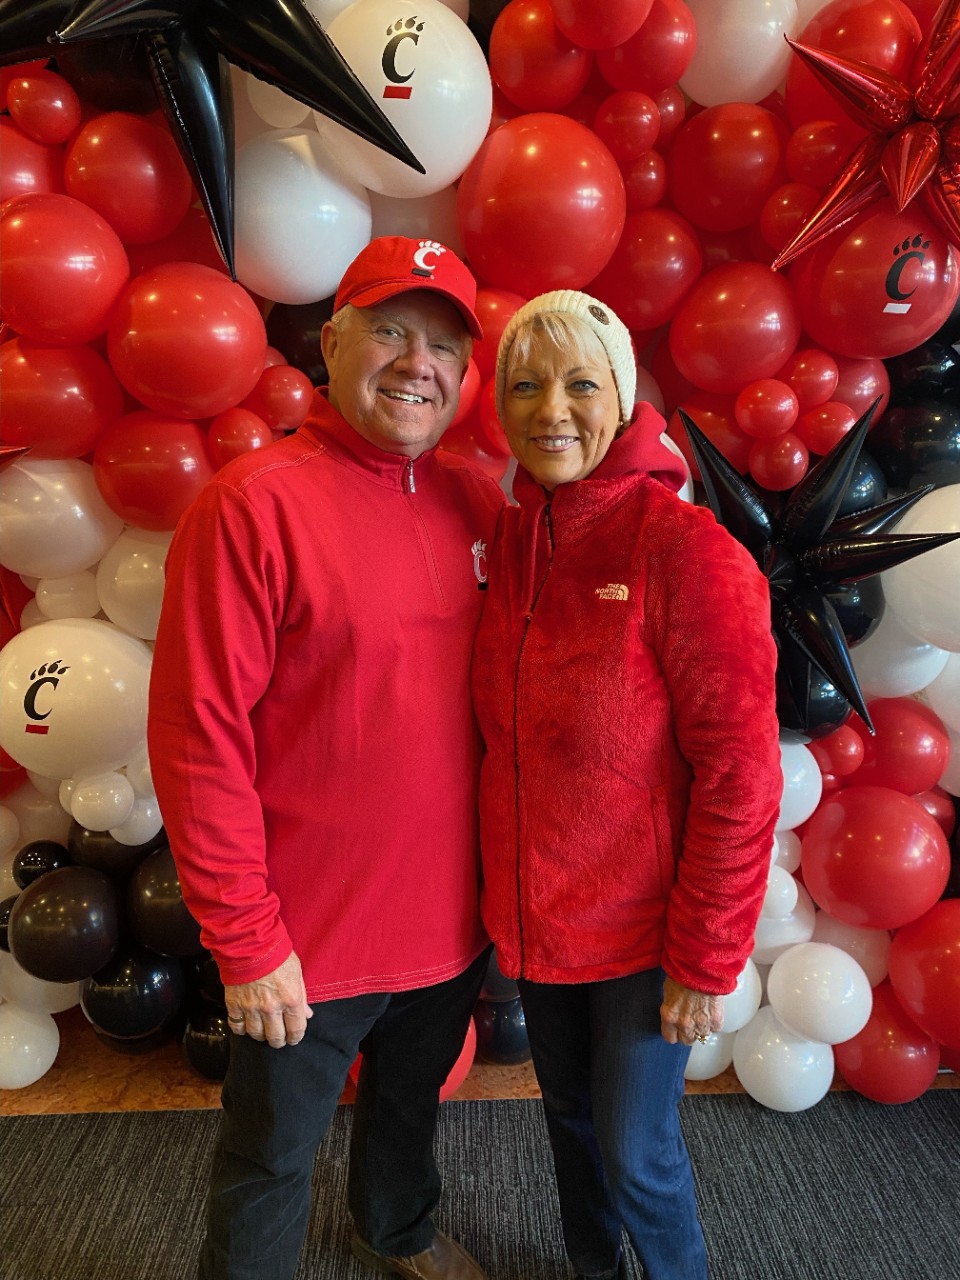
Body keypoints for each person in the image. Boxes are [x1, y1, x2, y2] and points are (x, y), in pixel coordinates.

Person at [148, 236, 506, 1280]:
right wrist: (245, 935)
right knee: (267, 1157)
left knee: (411, 1108)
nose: (417, 362)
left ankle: (395, 1228)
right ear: (333, 339)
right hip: (303, 935)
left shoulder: (479, 497)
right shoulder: (250, 504)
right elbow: (195, 731)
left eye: (444, 343)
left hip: (450, 917)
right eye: (392, 330)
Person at [471, 290, 782, 1280]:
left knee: (637, 1153)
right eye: (525, 385)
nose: (549, 408)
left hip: (648, 937)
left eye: (577, 383)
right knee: (568, 1125)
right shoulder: (513, 539)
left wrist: (706, 954)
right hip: (540, 920)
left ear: (622, 397)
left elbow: (742, 774)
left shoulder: (686, 550)